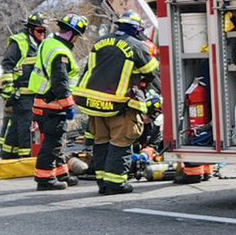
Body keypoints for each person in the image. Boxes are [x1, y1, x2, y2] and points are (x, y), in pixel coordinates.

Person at [75, 11, 160, 194]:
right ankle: (116, 183)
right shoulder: (137, 45)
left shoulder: (100, 42)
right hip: (120, 105)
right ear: (137, 29)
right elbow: (152, 73)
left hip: (95, 103)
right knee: (121, 143)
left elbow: (92, 69)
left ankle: (103, 183)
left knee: (101, 142)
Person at [28, 13, 88, 190]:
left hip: (43, 102)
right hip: (53, 104)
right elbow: (59, 82)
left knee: (58, 141)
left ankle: (61, 173)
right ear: (72, 34)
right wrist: (68, 105)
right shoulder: (60, 52)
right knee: (52, 143)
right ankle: (45, 179)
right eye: (77, 36)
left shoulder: (48, 43)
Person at [0, 12, 47, 159]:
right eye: (40, 31)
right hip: (21, 94)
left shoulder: (42, 44)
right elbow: (7, 65)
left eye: (45, 31)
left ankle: (7, 154)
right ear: (31, 30)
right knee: (26, 126)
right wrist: (9, 90)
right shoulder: (19, 42)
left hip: (36, 93)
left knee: (16, 124)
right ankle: (27, 158)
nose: (43, 34)